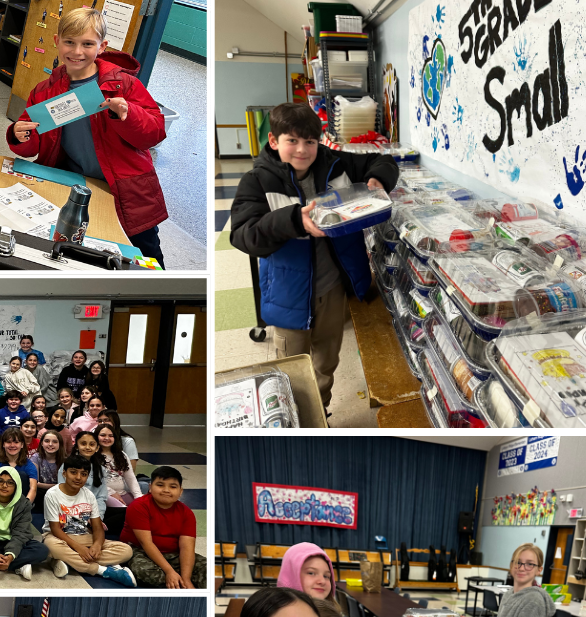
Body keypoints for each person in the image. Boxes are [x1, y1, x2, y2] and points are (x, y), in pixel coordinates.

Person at [230, 102, 399, 412]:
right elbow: (243, 234)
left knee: (326, 360)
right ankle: (294, 419)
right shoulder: (257, 182)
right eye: (291, 141)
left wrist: (377, 179)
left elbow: (383, 159)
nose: (302, 150)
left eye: (309, 141)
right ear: (273, 141)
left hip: (333, 288)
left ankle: (321, 412)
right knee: (292, 368)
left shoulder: (336, 164)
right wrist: (294, 221)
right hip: (288, 294)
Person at [7, 7, 169, 263]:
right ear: (56, 42)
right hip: (72, 185)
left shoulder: (124, 85)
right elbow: (33, 144)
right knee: (76, 247)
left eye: (87, 44)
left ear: (102, 46)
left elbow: (155, 132)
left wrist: (128, 115)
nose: (77, 51)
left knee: (145, 255)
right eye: (69, 42)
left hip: (127, 192)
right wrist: (19, 135)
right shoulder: (45, 90)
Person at [44, 456, 136, 583]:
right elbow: (55, 529)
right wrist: (80, 549)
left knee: (126, 551)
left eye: (83, 474)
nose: (78, 477)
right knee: (49, 546)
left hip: (84, 536)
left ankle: (68, 561)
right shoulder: (52, 494)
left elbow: (97, 527)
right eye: (73, 472)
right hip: (59, 537)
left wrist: (97, 545)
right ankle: (102, 570)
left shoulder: (89, 494)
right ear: (64, 473)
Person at [121, 466, 204, 588]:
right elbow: (146, 543)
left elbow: (187, 547)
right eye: (160, 485)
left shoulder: (186, 513)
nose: (166, 490)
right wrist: (169, 572)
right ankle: (174, 580)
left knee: (211, 570)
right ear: (150, 488)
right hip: (140, 551)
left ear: (181, 491)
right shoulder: (139, 506)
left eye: (173, 487)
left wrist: (186, 579)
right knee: (145, 572)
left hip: (172, 553)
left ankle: (179, 581)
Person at [0, 429, 38, 503]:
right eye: (8, 442)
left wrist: (25, 507)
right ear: (3, 444)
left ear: (22, 445)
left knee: (22, 475)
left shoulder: (29, 465)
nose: (12, 445)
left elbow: (33, 489)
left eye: (16, 442)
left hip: (22, 504)